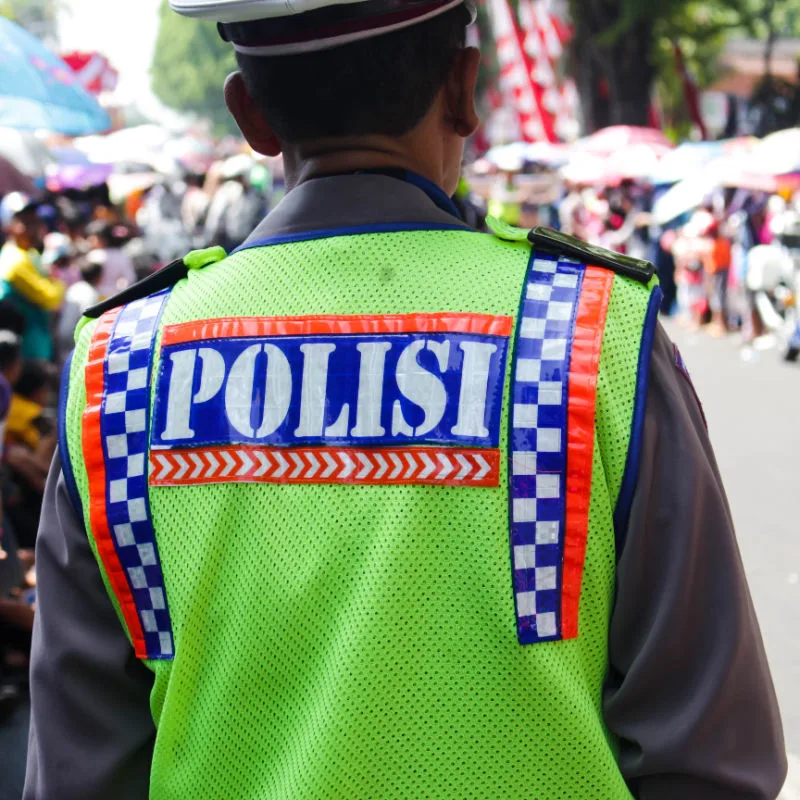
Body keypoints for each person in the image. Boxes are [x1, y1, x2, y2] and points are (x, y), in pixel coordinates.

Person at [27, 1, 785, 798]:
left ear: (249, 115)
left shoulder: (120, 369)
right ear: (464, 88)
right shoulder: (589, 331)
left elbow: (81, 770)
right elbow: (711, 759)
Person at [0, 194, 64, 361]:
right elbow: (51, 298)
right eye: (26, 223)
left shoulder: (30, 253)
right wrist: (57, 281)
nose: (34, 229)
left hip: (37, 344)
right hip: (24, 352)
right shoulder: (15, 260)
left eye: (36, 221)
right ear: (8, 226)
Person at [55, 253, 104, 361]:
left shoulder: (75, 287)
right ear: (98, 276)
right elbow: (88, 318)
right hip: (73, 336)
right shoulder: (90, 293)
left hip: (61, 332)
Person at [84, 220, 136, 300]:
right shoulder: (122, 255)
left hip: (96, 299)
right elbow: (130, 278)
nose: (89, 241)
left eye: (92, 238)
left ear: (102, 239)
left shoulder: (94, 255)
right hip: (117, 298)